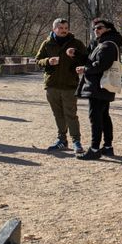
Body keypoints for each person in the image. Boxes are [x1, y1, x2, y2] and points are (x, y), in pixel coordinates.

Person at [70, 19, 122, 160]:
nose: (96, 30)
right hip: (101, 86)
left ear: (108, 29)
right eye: (94, 28)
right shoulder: (100, 44)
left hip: (99, 86)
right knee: (104, 116)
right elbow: (89, 59)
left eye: (99, 28)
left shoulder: (107, 45)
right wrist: (76, 54)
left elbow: (101, 65)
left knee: (95, 117)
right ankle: (107, 147)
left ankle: (94, 149)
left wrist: (85, 69)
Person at [35, 18, 88, 153]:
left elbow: (86, 59)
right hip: (52, 84)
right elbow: (37, 60)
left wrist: (76, 57)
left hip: (70, 84)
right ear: (54, 29)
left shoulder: (76, 43)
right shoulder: (47, 43)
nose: (64, 31)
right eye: (61, 28)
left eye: (66, 28)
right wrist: (47, 61)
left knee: (71, 114)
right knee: (58, 114)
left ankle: (76, 141)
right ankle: (62, 140)